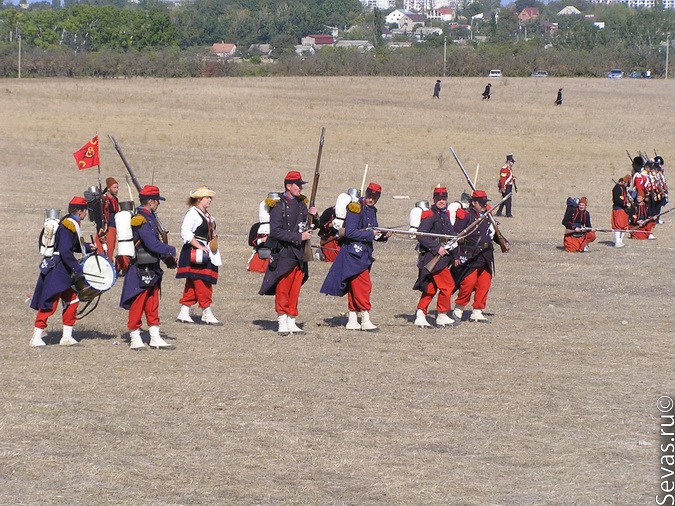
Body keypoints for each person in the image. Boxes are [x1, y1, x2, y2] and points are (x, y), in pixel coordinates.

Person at [320, 182, 392, 331]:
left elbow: (373, 231)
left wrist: (383, 235)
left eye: (375, 196)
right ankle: (365, 319)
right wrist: (370, 233)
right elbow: (351, 232)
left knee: (355, 287)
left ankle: (352, 320)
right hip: (353, 253)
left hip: (363, 253)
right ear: (366, 193)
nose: (371, 199)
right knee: (364, 286)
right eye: (370, 195)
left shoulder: (372, 210)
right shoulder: (356, 208)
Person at [30, 196, 96, 347]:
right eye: (85, 211)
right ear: (79, 211)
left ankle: (66, 337)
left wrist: (87, 246)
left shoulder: (71, 223)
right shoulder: (68, 225)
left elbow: (72, 246)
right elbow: (65, 251)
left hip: (64, 270)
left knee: (72, 300)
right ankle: (36, 338)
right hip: (59, 270)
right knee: (50, 303)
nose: (86, 214)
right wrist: (77, 269)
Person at [259, 171, 318, 335]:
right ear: (288, 186)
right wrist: (299, 236)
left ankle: (291, 320)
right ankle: (282, 321)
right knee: (283, 288)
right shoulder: (278, 206)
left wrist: (315, 215)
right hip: (284, 252)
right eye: (297, 185)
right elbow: (276, 232)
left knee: (295, 287)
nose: (300, 188)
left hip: (299, 253)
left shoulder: (301, 204)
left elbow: (312, 224)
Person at [120, 185, 177, 350]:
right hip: (140, 267)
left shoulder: (149, 216)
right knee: (138, 303)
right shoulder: (140, 219)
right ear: (151, 202)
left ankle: (155, 337)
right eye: (157, 201)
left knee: (152, 303)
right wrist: (170, 250)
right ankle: (135, 337)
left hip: (151, 266)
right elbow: (151, 244)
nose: (158, 204)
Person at [451, 190, 504, 323]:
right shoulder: (465, 215)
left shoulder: (488, 215)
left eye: (485, 202)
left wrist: (504, 242)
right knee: (468, 284)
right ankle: (458, 310)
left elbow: (493, 233)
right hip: (470, 255)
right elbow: (456, 237)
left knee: (484, 283)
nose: (484, 205)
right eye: (481, 203)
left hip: (485, 255)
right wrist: (456, 256)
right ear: (473, 203)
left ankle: (477, 311)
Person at [176, 187, 222, 325]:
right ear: (198, 199)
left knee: (192, 283)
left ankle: (184, 312)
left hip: (206, 251)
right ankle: (206, 312)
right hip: (196, 254)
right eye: (207, 197)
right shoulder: (193, 214)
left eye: (210, 198)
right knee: (203, 282)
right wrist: (200, 246)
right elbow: (186, 233)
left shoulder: (206, 214)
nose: (209, 200)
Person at [413, 186, 457, 328]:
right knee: (448, 286)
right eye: (438, 199)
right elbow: (421, 235)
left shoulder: (444, 214)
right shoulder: (430, 215)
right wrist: (437, 247)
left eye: (444, 199)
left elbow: (450, 236)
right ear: (434, 199)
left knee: (430, 288)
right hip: (432, 258)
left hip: (442, 258)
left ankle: (420, 314)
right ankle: (442, 315)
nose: (441, 201)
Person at [611, 175, 632, 248]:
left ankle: (620, 241)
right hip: (618, 208)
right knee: (618, 225)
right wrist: (625, 203)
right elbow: (617, 199)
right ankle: (617, 242)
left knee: (624, 225)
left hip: (624, 209)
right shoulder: (617, 188)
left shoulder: (623, 188)